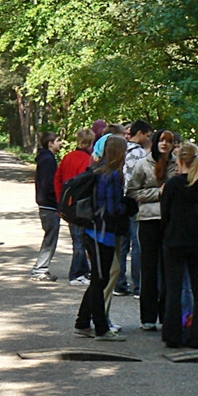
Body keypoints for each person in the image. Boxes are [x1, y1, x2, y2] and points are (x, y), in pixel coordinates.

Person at [73, 136, 137, 341]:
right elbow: (112, 208)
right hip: (103, 234)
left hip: (93, 231)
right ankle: (101, 328)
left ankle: (83, 322)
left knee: (98, 280)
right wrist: (128, 206)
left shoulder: (98, 170)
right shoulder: (112, 175)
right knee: (100, 281)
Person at [161, 142, 198, 349]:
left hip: (175, 240)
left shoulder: (173, 185)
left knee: (174, 288)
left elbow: (165, 213)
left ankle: (172, 335)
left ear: (180, 161)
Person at [127, 128, 176, 330]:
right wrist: (158, 193)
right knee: (149, 268)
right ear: (155, 143)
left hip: (171, 220)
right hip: (148, 219)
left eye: (168, 141)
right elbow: (132, 192)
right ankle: (147, 317)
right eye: (161, 140)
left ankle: (167, 315)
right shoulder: (142, 164)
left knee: (169, 269)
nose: (164, 144)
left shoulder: (177, 164)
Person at [114, 119, 153, 297]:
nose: (149, 139)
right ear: (140, 134)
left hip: (121, 202)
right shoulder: (140, 154)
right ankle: (139, 285)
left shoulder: (121, 150)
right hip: (136, 203)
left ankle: (119, 283)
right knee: (138, 244)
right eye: (147, 135)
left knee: (122, 245)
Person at [54, 128, 95, 286]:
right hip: (80, 206)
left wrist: (61, 201)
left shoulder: (67, 157)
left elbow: (57, 179)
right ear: (91, 142)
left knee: (76, 239)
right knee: (81, 240)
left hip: (67, 205)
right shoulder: (87, 160)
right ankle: (77, 273)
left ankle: (82, 271)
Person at [31, 132, 63, 282]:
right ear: (50, 143)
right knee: (50, 237)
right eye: (58, 141)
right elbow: (48, 183)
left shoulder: (46, 158)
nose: (60, 144)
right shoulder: (48, 160)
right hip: (49, 205)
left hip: (46, 203)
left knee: (50, 236)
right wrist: (57, 199)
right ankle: (40, 269)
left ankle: (41, 268)